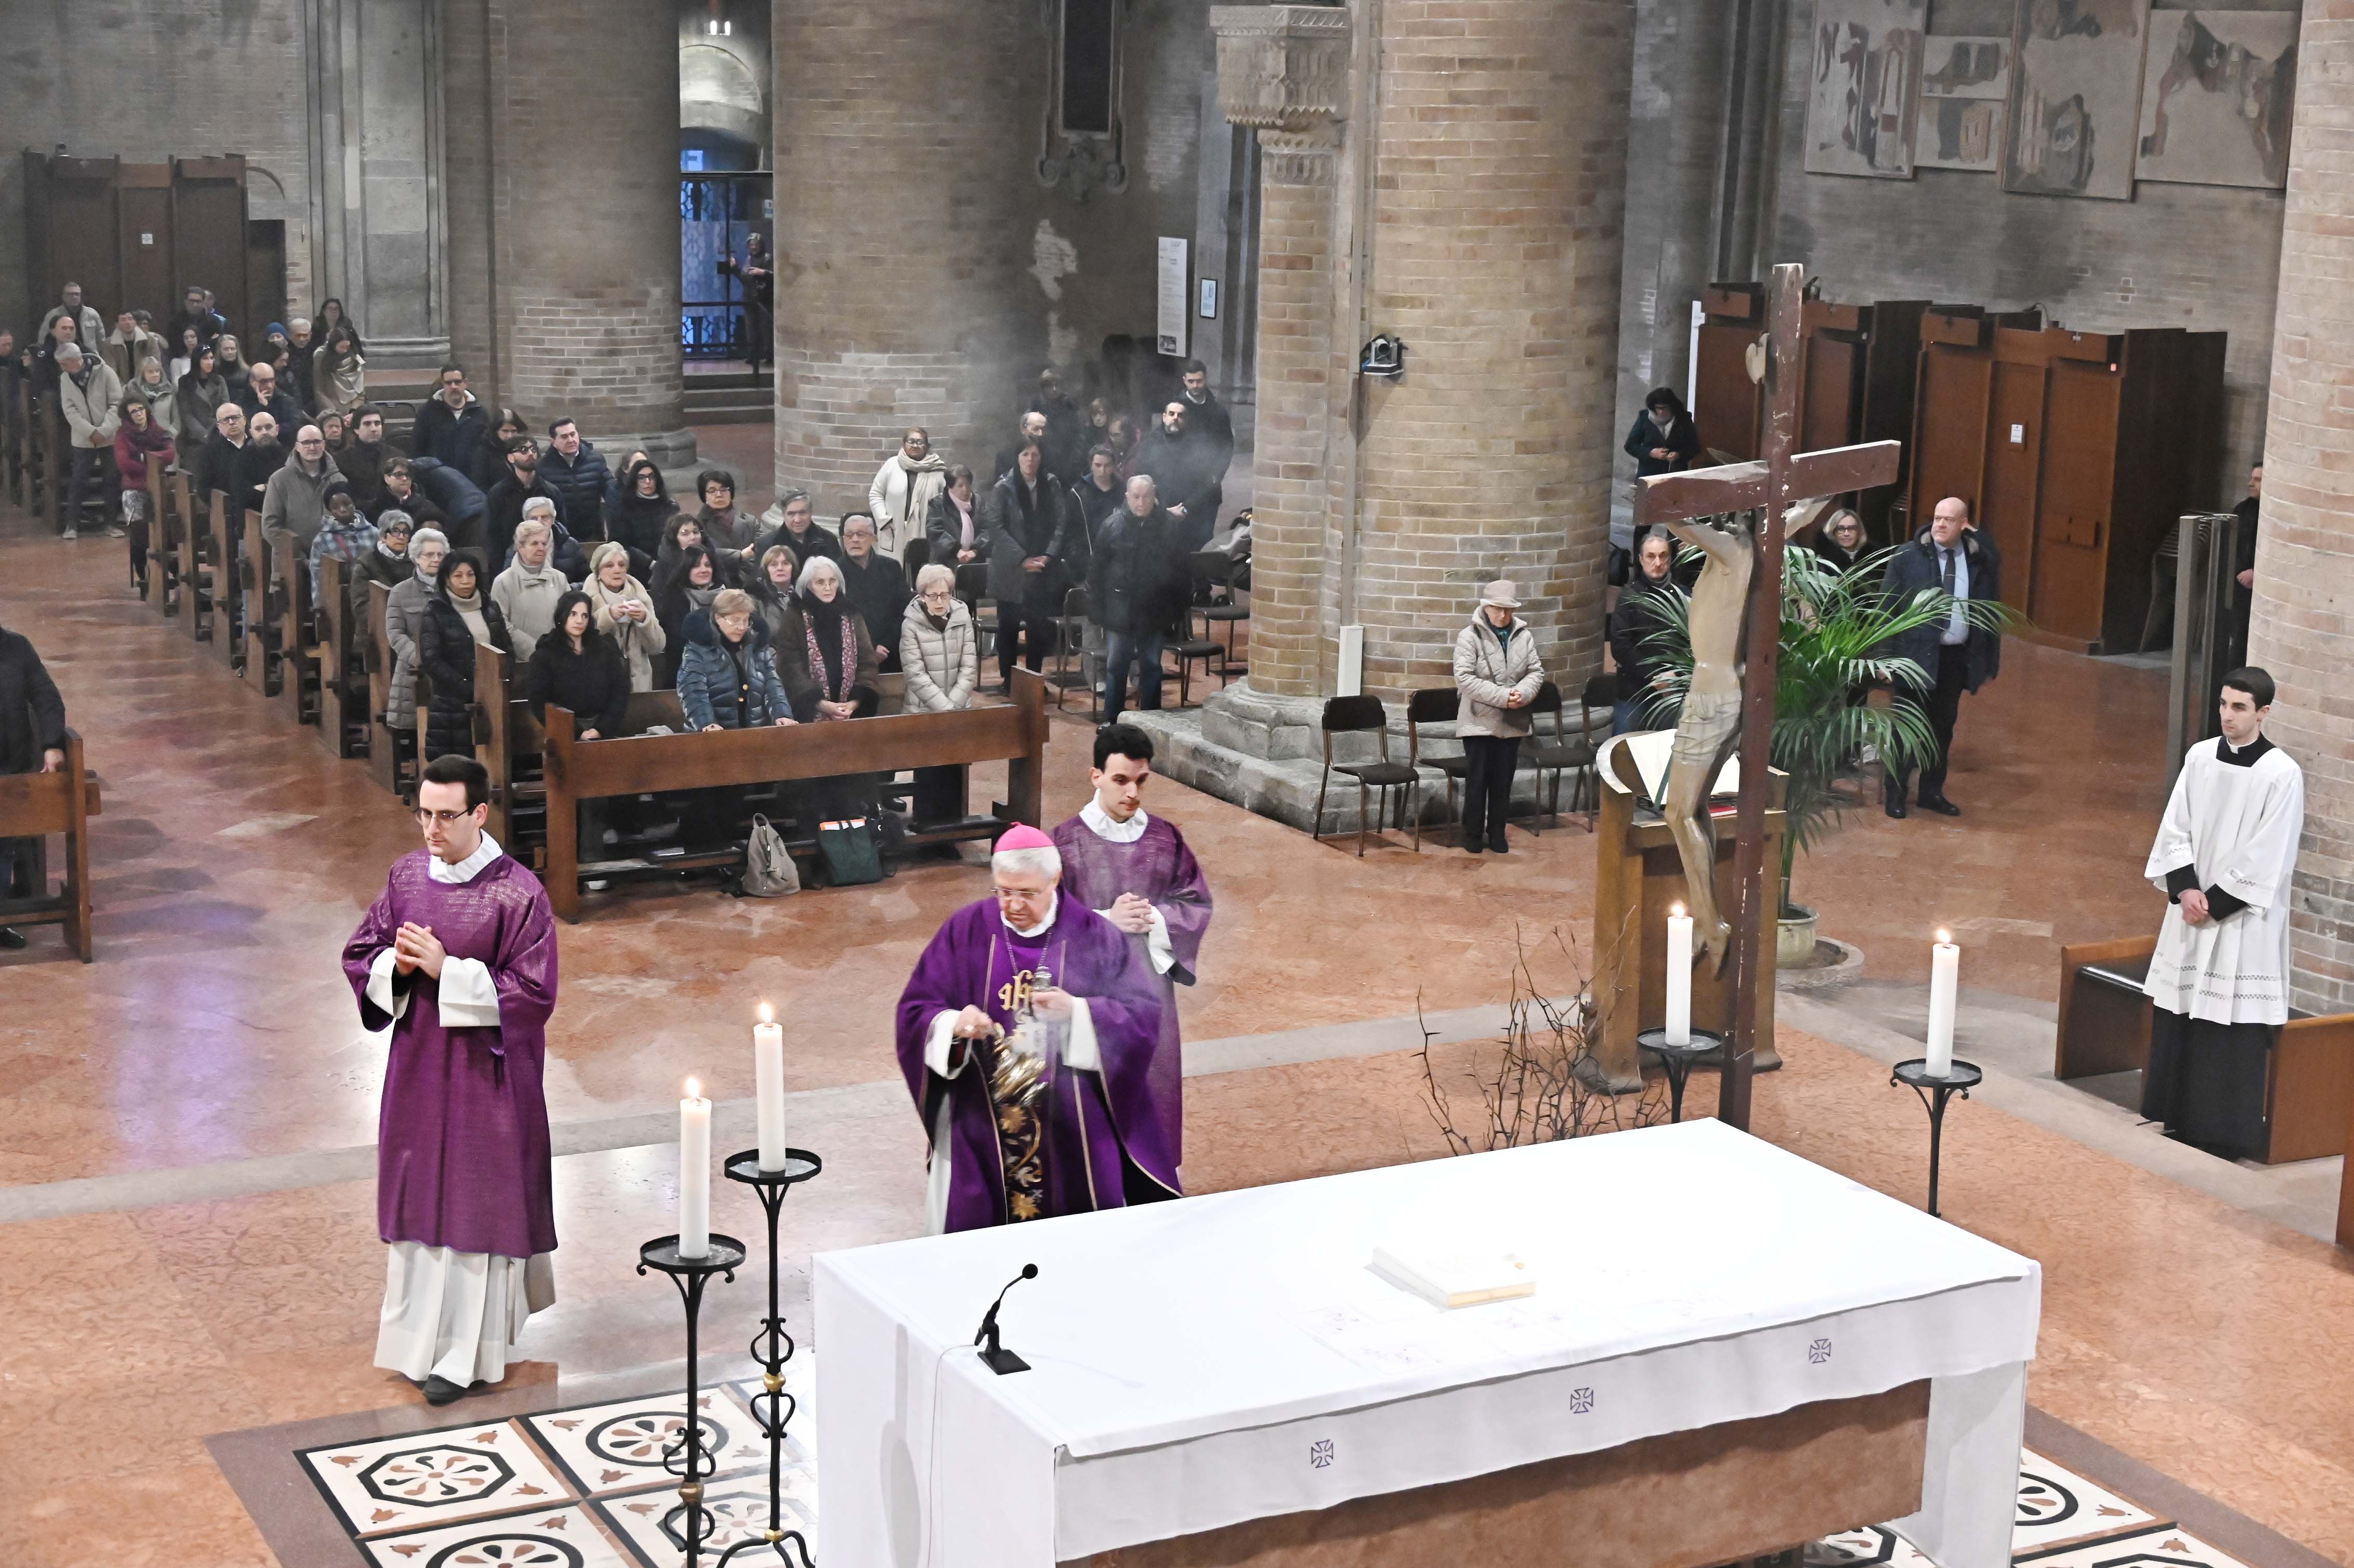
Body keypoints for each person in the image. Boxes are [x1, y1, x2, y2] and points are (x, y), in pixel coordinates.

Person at [340, 753, 558, 1406]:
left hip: (486, 1077)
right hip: (419, 1068)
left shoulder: (518, 893)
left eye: (446, 815)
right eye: (424, 814)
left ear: (480, 813)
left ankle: (467, 1355)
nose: (431, 829)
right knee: (421, 1197)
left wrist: (447, 969)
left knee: (475, 1202)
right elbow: (362, 952)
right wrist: (399, 967)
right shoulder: (407, 876)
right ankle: (417, 1345)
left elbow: (534, 993)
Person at [894, 824, 1179, 1232]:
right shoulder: (966, 929)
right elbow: (915, 1010)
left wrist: (1078, 1012)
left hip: (1072, 1124)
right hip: (984, 1120)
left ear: (1055, 880)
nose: (1012, 905)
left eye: (1027, 893)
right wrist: (954, 1024)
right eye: (1004, 892)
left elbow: (1142, 1018)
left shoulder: (1095, 936)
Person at [2140, 668, 2304, 1160]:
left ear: (2264, 713)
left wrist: (2215, 902)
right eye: (2223, 704)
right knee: (2184, 1009)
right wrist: (2186, 889)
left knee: (2228, 1021)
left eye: (2239, 708)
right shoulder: (2200, 757)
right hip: (2193, 909)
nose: (2227, 716)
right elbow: (2176, 826)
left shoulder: (2281, 774)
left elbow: (2271, 852)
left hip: (2241, 920)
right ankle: (2179, 1117)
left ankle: (2224, 1133)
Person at [1050, 724, 1212, 1168]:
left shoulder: (1165, 838)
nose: (1133, 793)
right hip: (1089, 990)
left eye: (1141, 781)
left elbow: (1195, 902)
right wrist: (1107, 921)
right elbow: (1046, 920)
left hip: (1149, 992)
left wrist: (1154, 918)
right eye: (1121, 780)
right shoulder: (1064, 843)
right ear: (1096, 776)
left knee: (1152, 1082)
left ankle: (1151, 1178)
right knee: (1094, 1086)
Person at [1880, 496, 2002, 819]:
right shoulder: (1908, 556)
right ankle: (1896, 793)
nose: (1940, 525)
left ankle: (1931, 792)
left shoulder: (1978, 559)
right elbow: (1886, 608)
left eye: (1949, 520)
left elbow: (1991, 611)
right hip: (1913, 656)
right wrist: (1883, 659)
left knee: (1941, 729)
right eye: (1937, 518)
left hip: (1954, 659)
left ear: (1964, 525)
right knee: (1906, 729)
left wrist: (1989, 662)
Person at [1454, 580, 1545, 855]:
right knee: (1478, 781)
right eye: (1497, 609)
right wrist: (1503, 697)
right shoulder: (1469, 637)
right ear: (1486, 607)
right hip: (1478, 722)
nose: (1503, 615)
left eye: (1508, 610)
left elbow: (1535, 671)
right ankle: (1472, 835)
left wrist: (1522, 694)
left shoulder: (1524, 636)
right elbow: (1464, 678)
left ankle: (1497, 833)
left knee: (1503, 782)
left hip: (1512, 722)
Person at [1091, 475, 1190, 723]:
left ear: (1154, 494)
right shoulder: (1112, 526)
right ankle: (1112, 721)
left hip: (1154, 610)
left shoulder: (1170, 527)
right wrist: (1099, 611)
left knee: (1152, 667)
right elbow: (1096, 572)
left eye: (1146, 496)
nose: (1141, 502)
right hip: (1120, 610)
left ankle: (1151, 722)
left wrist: (1177, 610)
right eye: (1136, 497)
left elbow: (1182, 571)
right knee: (1116, 668)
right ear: (1127, 497)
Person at [0, 620, 70, 949]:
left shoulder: (17, 647)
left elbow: (46, 696)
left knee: (4, 849)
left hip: (10, 769)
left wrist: (53, 744)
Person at [984, 441, 1076, 685]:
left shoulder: (1051, 483)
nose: (1030, 460)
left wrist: (1048, 555)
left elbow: (1061, 523)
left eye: (1035, 454)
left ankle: (1033, 680)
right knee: (1009, 628)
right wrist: (1022, 559)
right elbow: (996, 528)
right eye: (1025, 454)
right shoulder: (1004, 487)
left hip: (1043, 569)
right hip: (1011, 570)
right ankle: (1009, 680)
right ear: (1017, 457)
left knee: (1039, 629)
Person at [900, 564, 978, 824]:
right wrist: (945, 708)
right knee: (929, 772)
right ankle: (926, 828)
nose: (939, 601)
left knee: (954, 770)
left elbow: (969, 666)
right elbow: (915, 674)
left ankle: (952, 829)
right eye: (932, 596)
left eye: (944, 595)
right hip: (924, 711)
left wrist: (953, 706)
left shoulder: (963, 617)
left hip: (957, 710)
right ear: (922, 596)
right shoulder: (911, 624)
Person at [421, 550, 513, 759]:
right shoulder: (436, 611)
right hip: (452, 703)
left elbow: (507, 649)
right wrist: (467, 687)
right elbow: (432, 660)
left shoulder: (490, 607)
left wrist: (502, 683)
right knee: (456, 764)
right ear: (447, 579)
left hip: (492, 697)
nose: (465, 581)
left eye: (470, 575)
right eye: (458, 576)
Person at [677, 586, 797, 733]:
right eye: (735, 621)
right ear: (718, 619)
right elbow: (693, 690)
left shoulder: (756, 645)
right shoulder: (697, 648)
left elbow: (772, 684)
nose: (741, 627)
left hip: (752, 732)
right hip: (710, 733)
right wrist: (707, 723)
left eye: (746, 621)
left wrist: (782, 714)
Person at [776, 555, 879, 724]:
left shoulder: (851, 614)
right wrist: (820, 703)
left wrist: (855, 702)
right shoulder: (794, 616)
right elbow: (790, 666)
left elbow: (867, 661)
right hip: (808, 714)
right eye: (820, 582)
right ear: (809, 585)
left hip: (851, 712)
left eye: (832, 581)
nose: (828, 588)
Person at [526, 590, 631, 743]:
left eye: (585, 616)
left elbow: (620, 689)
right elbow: (540, 703)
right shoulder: (545, 655)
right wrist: (578, 733)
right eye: (573, 614)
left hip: (603, 730)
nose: (579, 621)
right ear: (562, 616)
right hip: (562, 732)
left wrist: (601, 729)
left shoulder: (603, 648)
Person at [1609, 530, 1685, 733]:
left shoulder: (1682, 595)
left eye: (1663, 556)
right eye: (1651, 556)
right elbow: (1621, 645)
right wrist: (1655, 676)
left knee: (1666, 747)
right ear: (1641, 560)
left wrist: (1675, 675)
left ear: (1670, 559)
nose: (1658, 563)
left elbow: (1689, 640)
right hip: (1635, 691)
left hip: (1672, 689)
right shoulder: (1629, 596)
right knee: (1626, 747)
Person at [1131, 401, 1224, 549]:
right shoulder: (1149, 445)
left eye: (1180, 415)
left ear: (1186, 420)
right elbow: (1141, 478)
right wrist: (1161, 509)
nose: (1175, 418)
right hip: (1158, 517)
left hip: (1192, 519)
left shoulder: (1199, 445)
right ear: (1164, 417)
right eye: (1172, 414)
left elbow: (1207, 483)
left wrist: (1186, 509)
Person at [386, 528, 450, 734]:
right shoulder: (400, 592)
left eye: (440, 555)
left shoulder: (454, 588)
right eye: (429, 555)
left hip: (451, 670)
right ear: (416, 558)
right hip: (415, 672)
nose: (436, 560)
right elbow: (396, 634)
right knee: (418, 732)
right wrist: (421, 657)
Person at [583, 541, 666, 693]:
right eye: (609, 566)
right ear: (598, 572)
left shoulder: (640, 597)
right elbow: (582, 641)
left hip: (638, 684)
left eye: (621, 565)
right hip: (599, 684)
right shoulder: (586, 600)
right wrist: (608, 616)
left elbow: (657, 647)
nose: (617, 570)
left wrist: (644, 620)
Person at [261, 423, 345, 563]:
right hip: (290, 562)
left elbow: (346, 522)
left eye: (317, 442)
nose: (312, 447)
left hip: (330, 562)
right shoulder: (279, 480)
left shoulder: (338, 480)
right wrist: (300, 558)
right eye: (306, 443)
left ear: (324, 445)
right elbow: (270, 527)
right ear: (297, 447)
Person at [838, 513, 910, 673]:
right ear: (843, 540)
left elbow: (904, 611)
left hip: (890, 652)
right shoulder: (834, 573)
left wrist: (885, 646)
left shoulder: (891, 568)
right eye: (849, 535)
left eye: (860, 534)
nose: (854, 540)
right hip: (850, 658)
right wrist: (866, 652)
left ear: (874, 538)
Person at [492, 511, 570, 660]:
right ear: (520, 547)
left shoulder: (560, 578)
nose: (541, 548)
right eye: (534, 543)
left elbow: (570, 615)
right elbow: (502, 624)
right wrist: (535, 651)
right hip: (520, 661)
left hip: (558, 658)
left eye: (544, 544)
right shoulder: (503, 582)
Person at [483, 438, 569, 572]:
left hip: (550, 562)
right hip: (510, 564)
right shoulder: (498, 494)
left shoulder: (551, 492)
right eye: (523, 450)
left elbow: (560, 529)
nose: (530, 453)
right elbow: (492, 536)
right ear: (511, 458)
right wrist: (502, 569)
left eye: (533, 449)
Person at [113, 394, 175, 579]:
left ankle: (173, 569)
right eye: (134, 412)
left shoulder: (159, 431)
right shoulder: (123, 435)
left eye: (141, 409)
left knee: (168, 530)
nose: (139, 414)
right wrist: (153, 464)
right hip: (134, 488)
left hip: (159, 487)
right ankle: (142, 573)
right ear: (128, 416)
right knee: (139, 534)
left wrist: (143, 457)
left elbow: (170, 455)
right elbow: (124, 464)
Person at [869, 428, 948, 561]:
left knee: (920, 568)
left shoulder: (937, 470)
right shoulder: (892, 465)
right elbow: (876, 494)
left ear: (927, 446)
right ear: (904, 444)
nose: (915, 445)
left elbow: (945, 502)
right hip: (894, 529)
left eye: (920, 442)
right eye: (911, 441)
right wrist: (884, 520)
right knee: (893, 568)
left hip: (924, 533)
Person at [653, 544, 723, 687]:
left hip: (724, 671)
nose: (704, 570)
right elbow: (677, 642)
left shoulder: (727, 596)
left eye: (708, 565)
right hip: (685, 674)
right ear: (686, 569)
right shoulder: (673, 599)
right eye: (696, 566)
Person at [411, 364, 490, 476]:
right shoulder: (427, 412)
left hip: (473, 478)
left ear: (465, 383)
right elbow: (417, 448)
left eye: (458, 382)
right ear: (443, 384)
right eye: (449, 383)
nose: (453, 386)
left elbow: (487, 448)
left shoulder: (480, 413)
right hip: (439, 478)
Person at [308, 480, 381, 600]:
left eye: (347, 504)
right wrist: (319, 604)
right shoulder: (322, 540)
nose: (342, 509)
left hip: (369, 597)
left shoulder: (373, 533)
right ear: (330, 510)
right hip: (338, 599)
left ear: (354, 503)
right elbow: (317, 576)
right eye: (335, 507)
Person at [541, 419, 611, 543]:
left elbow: (611, 491)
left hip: (593, 534)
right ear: (554, 442)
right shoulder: (543, 467)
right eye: (564, 437)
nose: (571, 440)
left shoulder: (596, 459)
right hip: (560, 536)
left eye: (573, 434)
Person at [608, 457, 677, 572]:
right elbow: (619, 544)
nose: (647, 482)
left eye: (651, 477)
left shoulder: (670, 506)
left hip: (669, 566)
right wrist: (649, 562)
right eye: (641, 478)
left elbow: (677, 538)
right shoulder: (623, 508)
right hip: (637, 569)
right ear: (634, 481)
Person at [350, 508, 416, 618]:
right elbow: (360, 607)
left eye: (405, 532)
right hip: (379, 623)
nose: (401, 537)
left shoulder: (416, 560)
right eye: (395, 531)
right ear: (383, 535)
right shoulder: (366, 563)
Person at [2226, 462, 2261, 670]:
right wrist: (2240, 571)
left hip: (2260, 585)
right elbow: (2234, 546)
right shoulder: (2242, 510)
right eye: (2252, 478)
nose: (2250, 484)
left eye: (2258, 480)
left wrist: (2257, 572)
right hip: (2240, 585)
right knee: (2238, 637)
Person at [1175, 359, 1236, 479]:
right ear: (1184, 380)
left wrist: (1218, 474)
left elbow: (1227, 445)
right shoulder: (1175, 410)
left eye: (1199, 381)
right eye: (1191, 381)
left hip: (1209, 478)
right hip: (1180, 477)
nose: (1195, 386)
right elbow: (1167, 442)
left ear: (1205, 380)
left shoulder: (1218, 411)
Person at [1624, 386, 1702, 478]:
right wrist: (1650, 453)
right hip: (1649, 474)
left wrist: (1679, 454)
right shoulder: (1644, 418)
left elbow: (1695, 447)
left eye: (1665, 408)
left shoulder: (1684, 419)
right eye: (1658, 408)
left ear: (1672, 406)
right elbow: (1630, 445)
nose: (1661, 412)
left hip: (1676, 474)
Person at [757, 487, 842, 569]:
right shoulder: (767, 544)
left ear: (811, 513)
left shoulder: (828, 541)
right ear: (783, 515)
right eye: (791, 514)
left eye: (802, 513)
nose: (798, 520)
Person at [1029, 369, 1088, 481]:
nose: (1054, 389)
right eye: (1050, 386)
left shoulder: (1070, 407)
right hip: (1043, 462)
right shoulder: (1035, 408)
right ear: (1044, 388)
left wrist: (1075, 458)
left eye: (1057, 386)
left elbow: (1080, 435)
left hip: (1068, 462)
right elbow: (1029, 436)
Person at [925, 465, 985, 567]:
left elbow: (988, 529)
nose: (965, 489)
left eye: (968, 484)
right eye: (960, 486)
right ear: (950, 487)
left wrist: (975, 550)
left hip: (975, 560)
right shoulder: (938, 504)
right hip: (945, 562)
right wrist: (956, 550)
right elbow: (934, 532)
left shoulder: (979, 502)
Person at [197, 399, 250, 509]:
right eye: (226, 420)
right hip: (226, 511)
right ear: (218, 426)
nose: (231, 423)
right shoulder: (209, 451)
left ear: (244, 420)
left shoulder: (256, 446)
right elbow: (204, 489)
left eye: (235, 418)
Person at [692, 468, 758, 556]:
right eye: (712, 491)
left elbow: (762, 551)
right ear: (704, 496)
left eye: (724, 490)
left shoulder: (751, 521)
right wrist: (739, 556)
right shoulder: (697, 525)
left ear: (731, 493)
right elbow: (701, 553)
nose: (719, 495)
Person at [342, 406, 393, 518]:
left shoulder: (396, 454)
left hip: (393, 515)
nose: (374, 428)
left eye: (377, 424)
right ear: (356, 429)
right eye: (367, 424)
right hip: (359, 517)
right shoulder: (342, 460)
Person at [746, 542, 802, 644]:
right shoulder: (754, 597)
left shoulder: (804, 595)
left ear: (793, 567)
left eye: (786, 564)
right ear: (767, 570)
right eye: (774, 565)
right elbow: (753, 636)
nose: (780, 568)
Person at [1072, 445, 1125, 548]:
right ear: (1091, 466)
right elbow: (1072, 529)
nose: (1103, 471)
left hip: (1117, 551)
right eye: (1098, 465)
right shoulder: (1078, 493)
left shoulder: (1124, 490)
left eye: (1107, 465)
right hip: (1087, 552)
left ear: (1113, 466)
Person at [237, 412, 287, 522]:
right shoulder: (242, 458)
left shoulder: (288, 456)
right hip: (255, 518)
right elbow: (240, 495)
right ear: (251, 433)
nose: (264, 432)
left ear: (277, 429)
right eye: (258, 429)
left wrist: (262, 488)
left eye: (269, 427)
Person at [470, 408, 529, 496]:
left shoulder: (526, 450)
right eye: (505, 431)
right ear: (495, 431)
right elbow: (480, 485)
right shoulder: (484, 452)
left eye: (514, 431)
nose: (510, 436)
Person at [100, 309, 165, 386]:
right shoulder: (109, 344)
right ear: (117, 325)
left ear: (135, 322)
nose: (128, 322)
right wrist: (124, 388)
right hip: (119, 388)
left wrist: (144, 387)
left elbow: (156, 365)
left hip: (146, 386)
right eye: (123, 320)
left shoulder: (150, 341)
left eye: (130, 319)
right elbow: (111, 372)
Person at [378, 459, 447, 530]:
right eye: (399, 475)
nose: (405, 479)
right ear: (387, 479)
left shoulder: (428, 508)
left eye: (408, 475)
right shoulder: (376, 507)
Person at [40, 283, 104, 359]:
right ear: (64, 297)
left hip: (89, 357)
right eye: (70, 294)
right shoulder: (52, 315)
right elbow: (42, 340)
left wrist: (96, 355)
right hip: (62, 359)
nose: (74, 297)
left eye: (77, 294)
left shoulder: (92, 314)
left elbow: (101, 340)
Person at [237, 361, 301, 435]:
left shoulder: (286, 401)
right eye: (264, 381)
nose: (270, 386)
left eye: (272, 380)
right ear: (252, 382)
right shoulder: (242, 403)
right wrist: (263, 407)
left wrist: (272, 430)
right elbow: (247, 429)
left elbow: (294, 427)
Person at [313, 325, 366, 416]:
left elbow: (361, 392)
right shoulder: (321, 357)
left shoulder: (355, 360)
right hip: (331, 408)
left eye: (348, 347)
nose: (345, 350)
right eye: (342, 347)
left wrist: (353, 411)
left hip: (354, 409)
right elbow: (319, 390)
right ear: (334, 346)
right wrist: (333, 412)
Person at [993, 410, 1051, 485]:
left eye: (1044, 429)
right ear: (1024, 430)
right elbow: (1001, 487)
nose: (1041, 434)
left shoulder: (1053, 456)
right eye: (1036, 429)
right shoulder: (1006, 457)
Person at [1812, 507, 1871, 576]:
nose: (1846, 534)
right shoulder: (1823, 561)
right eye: (1840, 529)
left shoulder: (1873, 558)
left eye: (1852, 529)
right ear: (1833, 532)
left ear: (1859, 532)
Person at [168, 285, 227, 351]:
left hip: (209, 356)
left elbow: (218, 344)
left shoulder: (214, 321)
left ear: (203, 302)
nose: (195, 305)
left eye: (198, 301)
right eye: (192, 301)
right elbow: (174, 345)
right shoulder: (176, 322)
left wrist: (200, 349)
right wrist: (207, 342)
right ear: (185, 302)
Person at [285, 318, 318, 411]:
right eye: (298, 335)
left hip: (311, 401)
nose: (302, 339)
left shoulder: (316, 354)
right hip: (289, 399)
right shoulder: (283, 353)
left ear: (310, 335)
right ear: (290, 335)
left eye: (305, 336)